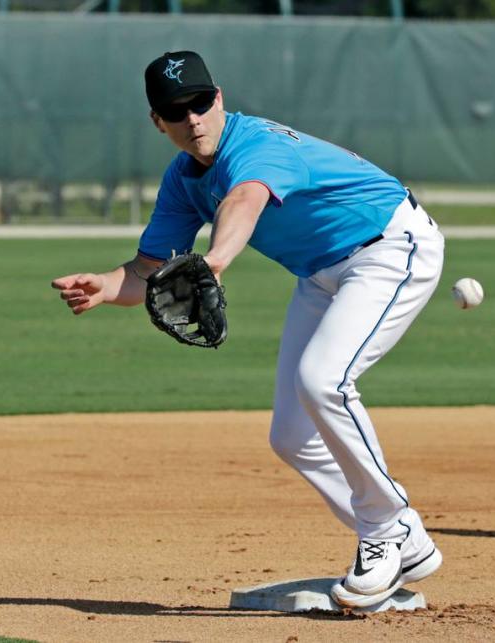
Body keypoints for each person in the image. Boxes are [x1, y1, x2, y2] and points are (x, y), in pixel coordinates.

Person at [52, 51, 444, 608]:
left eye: (200, 101)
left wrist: (214, 261)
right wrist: (106, 284)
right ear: (157, 121)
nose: (192, 118)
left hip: (389, 247)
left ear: (220, 98)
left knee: (323, 382)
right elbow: (148, 270)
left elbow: (246, 198)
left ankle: (387, 529)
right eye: (175, 109)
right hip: (322, 275)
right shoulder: (184, 178)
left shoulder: (256, 145)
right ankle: (407, 538)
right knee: (291, 435)